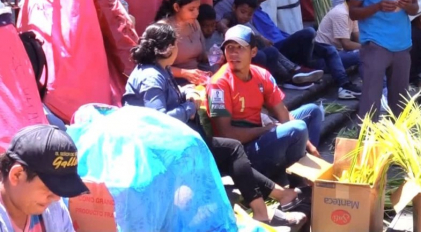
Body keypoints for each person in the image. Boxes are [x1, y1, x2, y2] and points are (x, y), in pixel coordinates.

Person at [122, 23, 305, 227]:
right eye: (176, 45)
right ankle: (270, 205)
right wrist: (190, 107)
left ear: (253, 52)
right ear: (170, 48)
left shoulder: (160, 69)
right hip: (161, 148)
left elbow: (168, 97)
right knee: (232, 149)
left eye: (240, 48)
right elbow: (158, 119)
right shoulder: (151, 76)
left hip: (181, 140)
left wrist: (185, 93)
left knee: (304, 118)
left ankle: (276, 199)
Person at [207, 25, 323, 183]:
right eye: (229, 48)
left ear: (253, 52)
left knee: (313, 111)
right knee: (298, 128)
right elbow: (225, 135)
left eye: (240, 48)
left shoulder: (261, 74)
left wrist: (309, 145)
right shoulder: (218, 84)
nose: (234, 53)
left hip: (262, 132)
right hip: (243, 151)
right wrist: (264, 130)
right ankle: (298, 184)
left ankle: (303, 165)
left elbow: (282, 112)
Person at [348, 0, 419, 119]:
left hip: (402, 43)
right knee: (371, 98)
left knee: (401, 99)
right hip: (375, 44)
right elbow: (353, 13)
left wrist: (406, 5)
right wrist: (377, 7)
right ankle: (366, 138)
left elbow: (416, 8)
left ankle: (397, 140)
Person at [226, 0, 323, 90]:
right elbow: (223, 24)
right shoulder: (230, 18)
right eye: (243, 12)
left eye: (249, 14)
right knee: (263, 52)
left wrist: (262, 39)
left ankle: (292, 72)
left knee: (271, 50)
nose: (245, 16)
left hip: (262, 47)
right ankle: (291, 75)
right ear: (234, 8)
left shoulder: (249, 22)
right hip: (242, 54)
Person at [0, 124, 88, 231]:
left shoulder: (55, 209)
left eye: (61, 188)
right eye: (50, 187)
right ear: (17, 175)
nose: (57, 197)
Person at [155, 0, 211, 86]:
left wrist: (214, 57)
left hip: (196, 77)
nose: (196, 13)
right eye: (191, 9)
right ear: (176, 7)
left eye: (198, 8)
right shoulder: (163, 29)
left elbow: (202, 56)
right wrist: (185, 73)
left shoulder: (194, 24)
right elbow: (156, 66)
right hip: (173, 82)